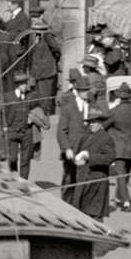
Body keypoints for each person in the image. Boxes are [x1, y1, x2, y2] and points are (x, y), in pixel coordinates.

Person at [105, 81, 131, 212]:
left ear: (119, 97)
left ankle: (126, 201)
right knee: (126, 174)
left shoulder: (114, 112)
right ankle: (121, 196)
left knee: (121, 175)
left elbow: (104, 126)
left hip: (119, 148)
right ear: (130, 97)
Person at [56, 74, 96, 212]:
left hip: (87, 149)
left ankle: (81, 207)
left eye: (87, 89)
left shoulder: (93, 106)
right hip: (72, 150)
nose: (86, 93)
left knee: (86, 179)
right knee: (69, 179)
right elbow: (61, 131)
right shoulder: (68, 108)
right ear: (77, 91)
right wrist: (66, 148)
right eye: (83, 90)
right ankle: (66, 207)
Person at [75, 108, 117, 220]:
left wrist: (90, 156)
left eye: (94, 122)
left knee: (93, 216)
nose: (91, 124)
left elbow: (109, 158)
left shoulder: (106, 138)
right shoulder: (87, 136)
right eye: (90, 122)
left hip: (96, 181)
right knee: (82, 213)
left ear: (100, 123)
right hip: (84, 178)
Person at [0, 71, 37, 179]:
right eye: (22, 83)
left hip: (26, 132)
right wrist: (4, 128)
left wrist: (32, 118)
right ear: (17, 84)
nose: (25, 85)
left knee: (25, 161)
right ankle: (14, 180)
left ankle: (23, 183)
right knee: (12, 159)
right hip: (12, 131)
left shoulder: (31, 96)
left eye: (26, 83)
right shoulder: (7, 97)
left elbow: (40, 110)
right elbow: (2, 113)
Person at [23, 14, 61, 105]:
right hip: (36, 73)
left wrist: (49, 63)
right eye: (32, 17)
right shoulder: (32, 31)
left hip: (46, 73)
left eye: (35, 17)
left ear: (41, 17)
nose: (33, 19)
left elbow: (56, 49)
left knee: (45, 100)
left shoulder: (46, 32)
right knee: (38, 99)